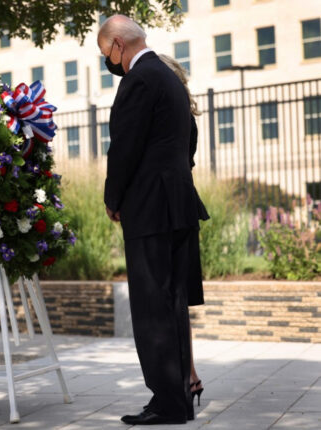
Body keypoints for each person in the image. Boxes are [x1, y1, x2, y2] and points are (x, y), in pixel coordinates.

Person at [97, 15, 209, 425]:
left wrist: (113, 198)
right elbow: (188, 142)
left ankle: (166, 402)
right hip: (179, 203)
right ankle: (178, 399)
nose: (109, 63)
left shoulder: (139, 80)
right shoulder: (169, 79)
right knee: (173, 303)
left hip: (150, 208)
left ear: (118, 46)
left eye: (106, 53)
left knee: (152, 308)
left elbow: (123, 148)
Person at [158, 53, 206, 406]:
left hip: (167, 211)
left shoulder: (165, 120)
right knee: (178, 299)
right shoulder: (187, 120)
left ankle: (184, 376)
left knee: (169, 297)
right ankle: (189, 374)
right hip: (187, 206)